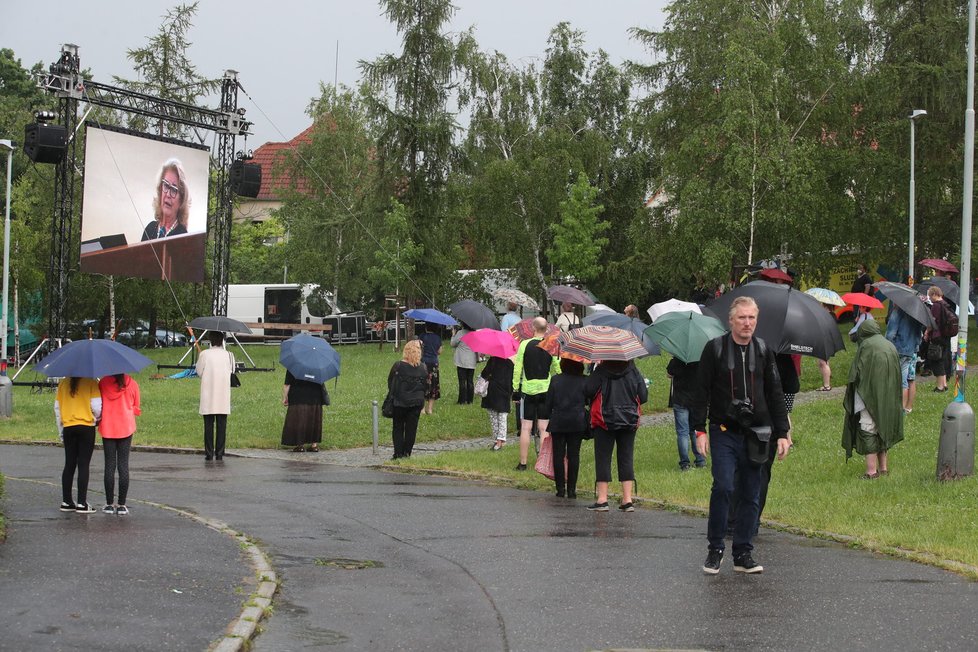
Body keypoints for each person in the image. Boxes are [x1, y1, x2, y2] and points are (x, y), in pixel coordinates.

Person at [692, 296, 790, 575]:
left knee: (751, 492)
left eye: (751, 318)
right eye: (742, 318)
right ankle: (715, 549)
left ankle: (743, 553)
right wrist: (699, 430)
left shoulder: (763, 350)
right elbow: (701, 393)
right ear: (731, 320)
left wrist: (782, 432)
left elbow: (775, 392)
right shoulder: (716, 349)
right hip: (723, 431)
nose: (747, 323)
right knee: (723, 486)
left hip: (757, 433)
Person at [842, 319, 904, 478]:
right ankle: (883, 468)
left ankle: (871, 472)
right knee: (882, 427)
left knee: (868, 428)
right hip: (888, 397)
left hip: (869, 396)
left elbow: (855, 374)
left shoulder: (866, 346)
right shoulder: (889, 345)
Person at [585, 359, 648, 511]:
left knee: (603, 457)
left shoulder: (600, 370)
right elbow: (643, 396)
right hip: (629, 418)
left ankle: (602, 500)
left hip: (604, 418)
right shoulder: (633, 370)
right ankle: (627, 500)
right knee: (626, 457)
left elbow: (588, 391)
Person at [512, 317, 560, 470]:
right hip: (545, 389)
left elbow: (517, 368)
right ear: (547, 329)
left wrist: (515, 389)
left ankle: (523, 463)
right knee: (544, 427)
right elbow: (557, 367)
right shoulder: (550, 344)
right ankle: (543, 463)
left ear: (533, 328)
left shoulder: (524, 345)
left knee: (526, 427)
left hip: (528, 390)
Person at [55, 376, 102, 514]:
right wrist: (96, 418)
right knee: (83, 464)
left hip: (68, 426)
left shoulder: (63, 383)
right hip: (86, 426)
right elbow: (97, 407)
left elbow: (57, 409)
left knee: (69, 463)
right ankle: (82, 502)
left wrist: (61, 431)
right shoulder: (91, 382)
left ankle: (67, 501)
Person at [545, 358, 589, 498]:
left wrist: (546, 416)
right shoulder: (584, 380)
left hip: (558, 420)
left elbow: (549, 403)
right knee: (573, 455)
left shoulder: (556, 379)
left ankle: (560, 488)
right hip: (577, 421)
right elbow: (588, 400)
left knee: (558, 455)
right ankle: (572, 489)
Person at [98, 373, 141, 516]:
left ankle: (109, 504)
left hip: (108, 427)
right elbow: (136, 406)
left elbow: (99, 404)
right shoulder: (132, 383)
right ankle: (122, 504)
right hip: (126, 427)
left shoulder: (103, 383)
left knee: (109, 465)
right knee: (123, 465)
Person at [196, 330, 234, 461]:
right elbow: (232, 371)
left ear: (210, 340)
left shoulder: (204, 354)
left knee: (208, 424)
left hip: (208, 392)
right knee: (222, 425)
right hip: (223, 393)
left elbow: (199, 372)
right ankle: (220, 452)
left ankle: (208, 452)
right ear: (222, 340)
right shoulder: (229, 355)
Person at [388, 340, 428, 459]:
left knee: (398, 427)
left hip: (400, 401)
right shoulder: (423, 368)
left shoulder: (398, 366)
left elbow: (390, 381)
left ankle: (398, 453)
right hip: (417, 402)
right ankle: (407, 453)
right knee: (411, 429)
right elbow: (426, 385)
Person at [666, 356, 707, 471]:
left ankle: (685, 463)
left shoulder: (677, 359)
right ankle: (700, 460)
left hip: (680, 400)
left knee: (682, 432)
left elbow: (669, 374)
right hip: (696, 400)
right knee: (695, 431)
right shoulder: (700, 359)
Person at [885, 304, 925, 413]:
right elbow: (919, 336)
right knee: (907, 381)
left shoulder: (897, 311)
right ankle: (905, 408)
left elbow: (890, 333)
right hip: (911, 351)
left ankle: (894, 408)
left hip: (898, 349)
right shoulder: (916, 313)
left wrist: (886, 346)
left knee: (893, 379)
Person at [142, 158, 191, 240]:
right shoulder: (150, 229)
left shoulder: (182, 237)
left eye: (174, 189)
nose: (168, 194)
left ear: (181, 200)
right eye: (166, 185)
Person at [281, 370, 328, 452]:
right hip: (315, 396)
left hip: (298, 396)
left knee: (299, 419)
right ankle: (314, 445)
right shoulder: (318, 365)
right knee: (314, 419)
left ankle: (300, 445)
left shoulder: (294, 364)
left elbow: (287, 384)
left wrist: (285, 397)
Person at [923, 286, 954, 392]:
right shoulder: (946, 304)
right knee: (942, 359)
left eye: (930, 295)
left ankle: (940, 386)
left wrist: (927, 332)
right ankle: (944, 384)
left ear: (935, 294)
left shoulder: (936, 306)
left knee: (936, 360)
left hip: (937, 336)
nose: (929, 298)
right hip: (945, 336)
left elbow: (933, 323)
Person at [482, 353, 515, 450]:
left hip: (493, 391)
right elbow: (513, 379)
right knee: (502, 417)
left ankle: (496, 440)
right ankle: (501, 440)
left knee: (494, 417)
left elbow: (484, 374)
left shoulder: (492, 360)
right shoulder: (510, 363)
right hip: (505, 392)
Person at [418, 323, 443, 414]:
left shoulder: (422, 336)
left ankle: (422, 409)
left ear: (426, 327)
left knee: (423, 384)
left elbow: (419, 348)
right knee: (433, 385)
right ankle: (430, 409)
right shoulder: (437, 338)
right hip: (434, 363)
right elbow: (439, 351)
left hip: (423, 362)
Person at [451, 324, 477, 404]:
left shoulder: (461, 333)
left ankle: (461, 400)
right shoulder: (475, 334)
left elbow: (453, 344)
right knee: (470, 381)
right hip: (471, 360)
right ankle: (470, 400)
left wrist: (453, 335)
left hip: (461, 360)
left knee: (462, 381)